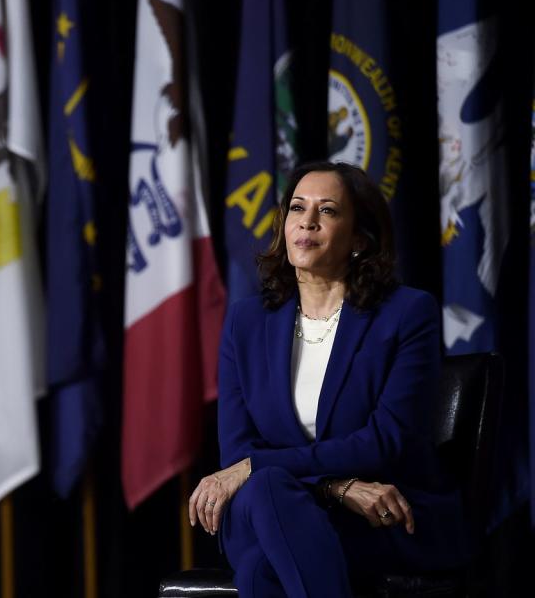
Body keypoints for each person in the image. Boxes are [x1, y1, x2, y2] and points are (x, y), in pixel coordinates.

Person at [188, 162, 469, 596]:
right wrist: (335, 487)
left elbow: (384, 440)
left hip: (374, 516)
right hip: (286, 504)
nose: (308, 220)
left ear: (359, 239)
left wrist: (264, 469)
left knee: (264, 567)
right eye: (297, 207)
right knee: (266, 490)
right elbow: (239, 449)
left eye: (329, 210)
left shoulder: (406, 314)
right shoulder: (246, 321)